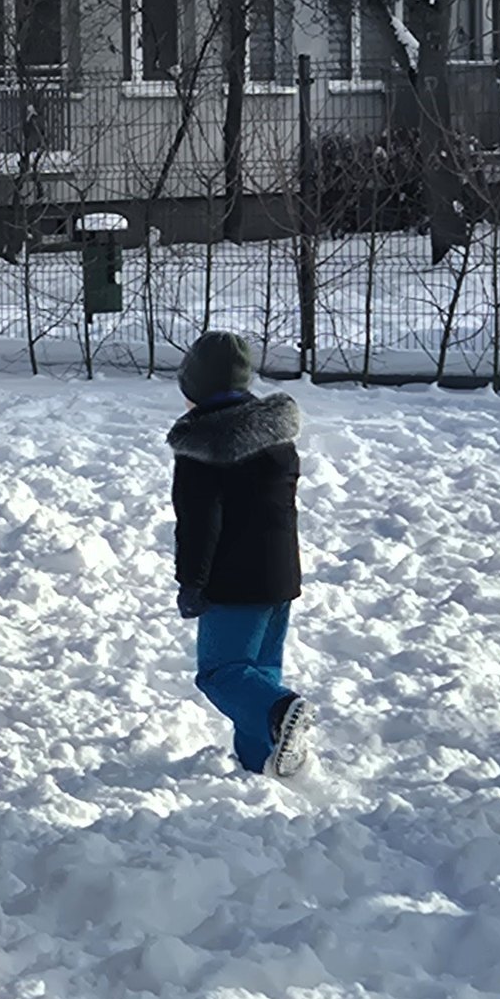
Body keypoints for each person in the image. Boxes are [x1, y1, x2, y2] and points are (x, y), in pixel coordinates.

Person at [168, 331, 314, 779]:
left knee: (222, 672)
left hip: (233, 582)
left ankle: (280, 711)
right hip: (281, 578)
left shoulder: (203, 446)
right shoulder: (276, 439)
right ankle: (261, 764)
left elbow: (199, 524)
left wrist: (191, 582)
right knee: (260, 673)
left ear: (195, 388)